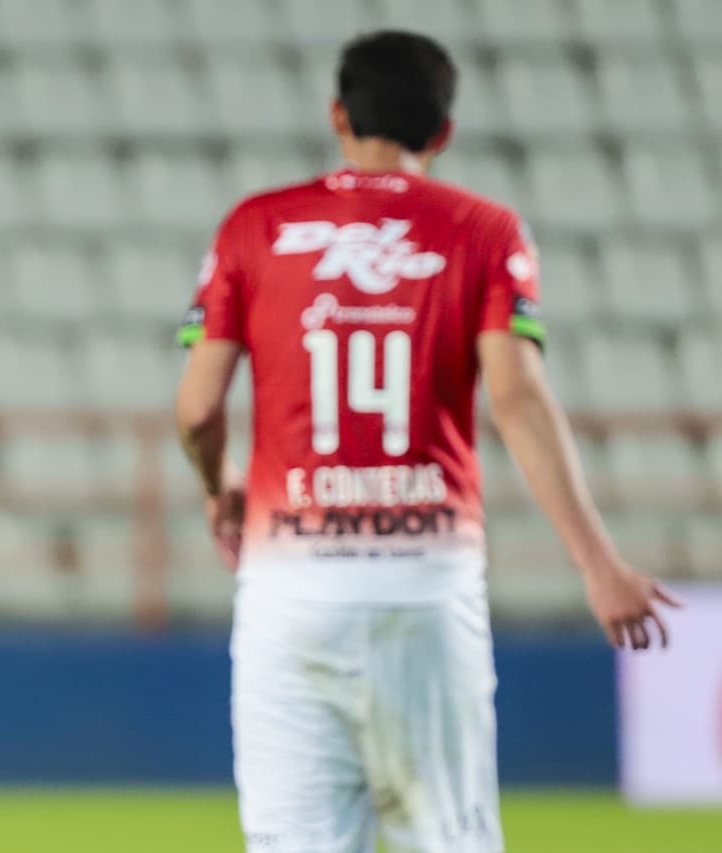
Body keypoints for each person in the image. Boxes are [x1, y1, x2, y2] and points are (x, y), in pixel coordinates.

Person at [174, 31, 678, 853]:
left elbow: (198, 409)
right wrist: (597, 563)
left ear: (338, 116)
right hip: (425, 592)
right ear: (443, 131)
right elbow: (516, 396)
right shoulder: (485, 231)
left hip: (290, 595)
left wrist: (216, 483)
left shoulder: (254, 228)